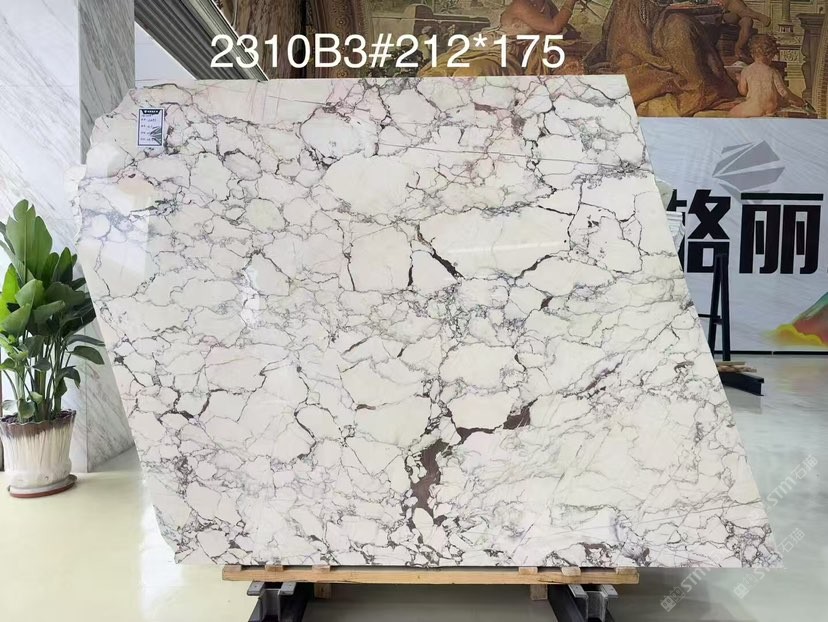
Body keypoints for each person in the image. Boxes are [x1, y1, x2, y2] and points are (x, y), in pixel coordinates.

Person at [584, 0, 738, 116]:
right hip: (642, 58)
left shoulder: (678, 24)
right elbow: (625, 53)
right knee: (624, 83)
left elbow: (724, 9)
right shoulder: (628, 6)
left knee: (678, 26)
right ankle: (673, 82)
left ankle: (689, 86)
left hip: (677, 27)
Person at [419, 0, 578, 77]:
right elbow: (553, 26)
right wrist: (570, 3)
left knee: (477, 72)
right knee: (471, 72)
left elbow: (558, 28)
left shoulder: (546, 6)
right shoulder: (520, 5)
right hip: (492, 48)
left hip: (511, 54)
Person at [729, 34, 805, 117]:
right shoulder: (773, 72)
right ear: (770, 55)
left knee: (732, 113)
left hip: (754, 108)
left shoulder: (746, 70)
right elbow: (784, 92)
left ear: (752, 54)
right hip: (770, 109)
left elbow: (743, 91)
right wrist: (798, 100)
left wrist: (739, 79)